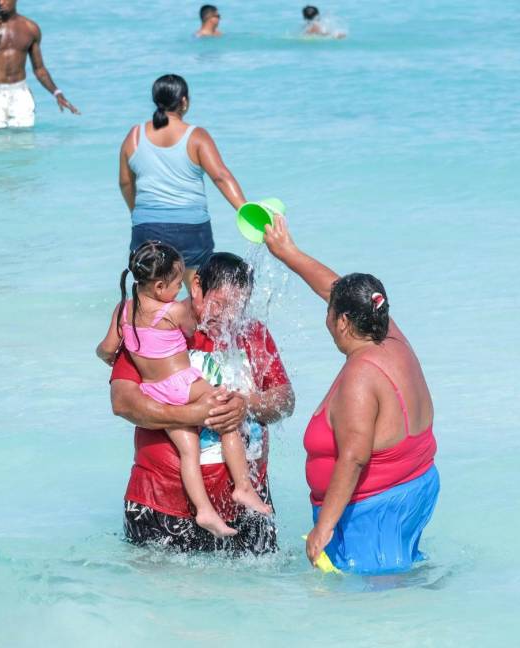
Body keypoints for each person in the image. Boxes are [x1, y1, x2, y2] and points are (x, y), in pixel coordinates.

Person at [263, 216, 440, 575]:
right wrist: (288, 253)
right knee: (398, 581)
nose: (326, 317)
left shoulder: (361, 375)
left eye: (330, 312)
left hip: (373, 510)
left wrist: (324, 526)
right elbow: (334, 287)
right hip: (414, 491)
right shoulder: (392, 338)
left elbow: (355, 457)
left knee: (372, 605)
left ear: (343, 321)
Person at [110, 252, 294, 554]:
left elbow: (285, 400)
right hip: (163, 503)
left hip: (247, 506)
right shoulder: (154, 330)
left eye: (239, 307)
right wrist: (193, 413)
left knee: (261, 597)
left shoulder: (254, 333)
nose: (228, 316)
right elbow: (123, 403)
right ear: (196, 286)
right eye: (219, 303)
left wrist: (246, 404)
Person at [119, 74, 246, 288]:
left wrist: (138, 213)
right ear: (184, 101)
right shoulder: (196, 136)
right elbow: (221, 177)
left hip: (147, 229)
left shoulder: (134, 136)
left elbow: (125, 183)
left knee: (150, 296)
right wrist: (245, 210)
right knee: (198, 292)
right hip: (191, 230)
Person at [0, 0, 79, 130]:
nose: (0, 2)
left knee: (25, 144)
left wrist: (57, 93)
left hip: (20, 94)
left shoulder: (30, 28)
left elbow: (39, 69)